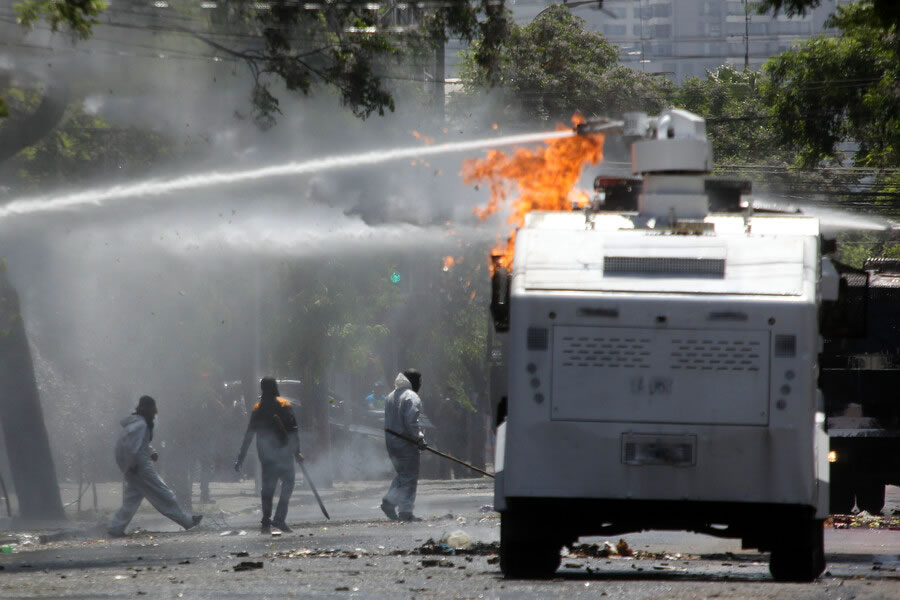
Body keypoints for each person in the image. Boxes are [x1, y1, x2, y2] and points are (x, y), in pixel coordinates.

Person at [107, 396, 203, 537]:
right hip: (140, 467)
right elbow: (133, 447)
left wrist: (150, 452)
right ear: (147, 408)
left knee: (132, 499)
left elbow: (138, 444)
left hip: (135, 466)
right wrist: (134, 464)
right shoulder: (141, 425)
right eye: (153, 407)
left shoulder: (135, 424)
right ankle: (187, 521)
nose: (155, 411)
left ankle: (115, 528)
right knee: (163, 494)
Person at [234, 377, 303, 534]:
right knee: (288, 482)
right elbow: (293, 430)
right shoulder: (284, 404)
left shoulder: (258, 408)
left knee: (268, 487)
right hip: (284, 452)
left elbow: (249, 434)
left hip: (265, 454)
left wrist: (241, 457)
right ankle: (279, 518)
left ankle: (266, 521)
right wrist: (297, 451)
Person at [381, 369, 426, 522]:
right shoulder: (412, 396)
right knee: (410, 477)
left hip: (391, 441)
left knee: (403, 475)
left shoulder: (390, 395)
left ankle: (389, 501)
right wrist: (419, 438)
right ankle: (405, 511)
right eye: (419, 382)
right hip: (406, 442)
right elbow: (411, 421)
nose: (420, 385)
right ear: (413, 382)